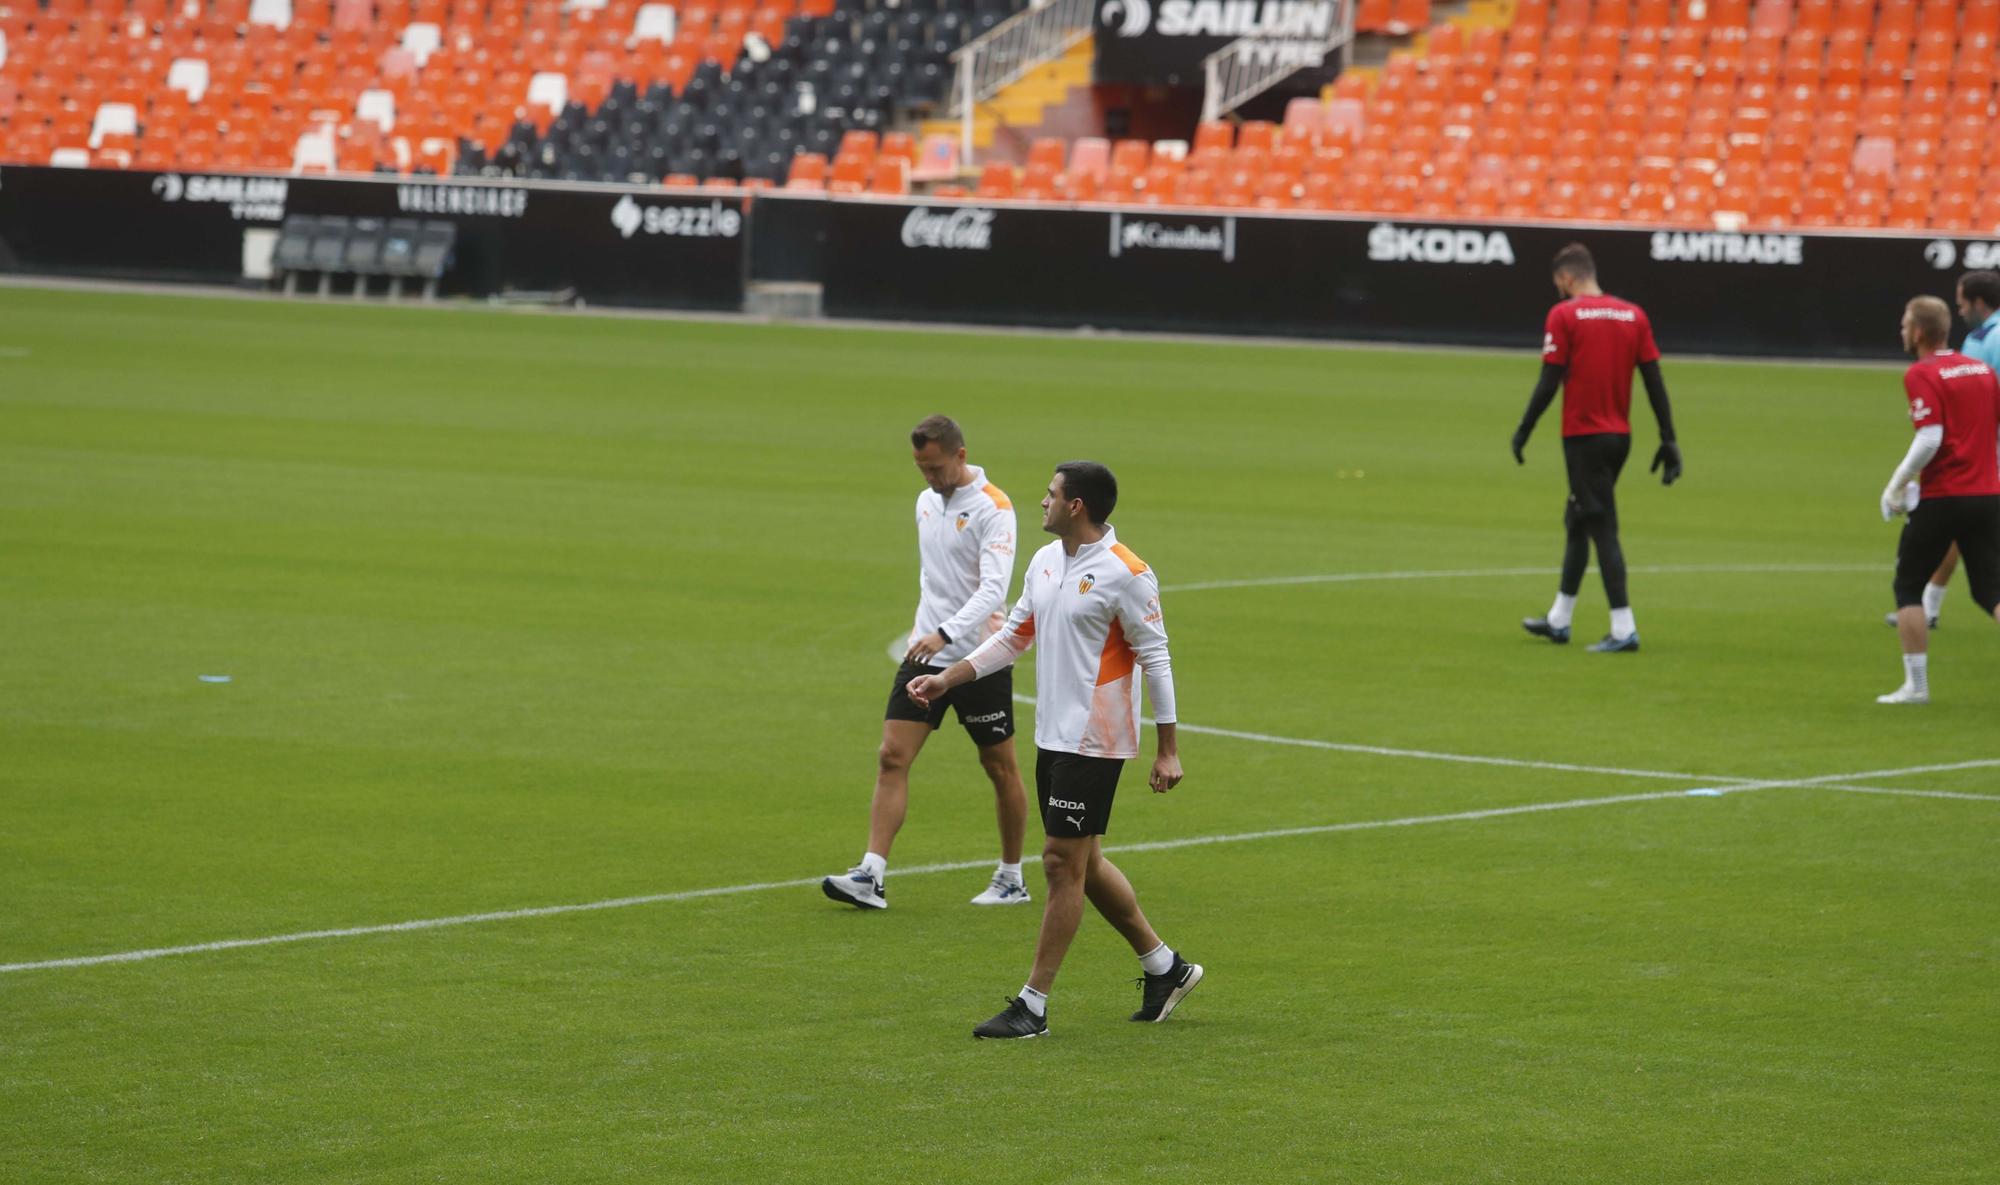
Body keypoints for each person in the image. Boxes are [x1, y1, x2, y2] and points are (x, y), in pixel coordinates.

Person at [906, 461, 1197, 1039]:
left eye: (1051, 494)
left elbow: (1157, 658)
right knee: (1083, 865)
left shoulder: (1127, 573)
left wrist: (1168, 749)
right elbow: (1014, 635)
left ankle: (1032, 1005)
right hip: (1052, 734)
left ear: (1078, 505)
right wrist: (948, 679)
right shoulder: (1044, 562)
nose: (1042, 502)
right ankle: (1167, 968)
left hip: (1097, 738)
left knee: (1061, 863)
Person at [821, 415, 1031, 910]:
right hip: (925, 653)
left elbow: (994, 588)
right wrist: (929, 633)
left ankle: (1012, 876)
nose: (930, 480)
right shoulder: (925, 501)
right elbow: (934, 579)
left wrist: (948, 633)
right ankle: (871, 874)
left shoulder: (993, 509)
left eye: (935, 468)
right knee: (892, 756)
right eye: (921, 470)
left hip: (979, 659)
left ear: (960, 455)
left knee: (999, 767)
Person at [1513, 242, 1683, 652]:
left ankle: (1624, 629)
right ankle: (1559, 619)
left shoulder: (1564, 315)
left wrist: (1524, 429)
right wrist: (1668, 438)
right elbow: (1653, 379)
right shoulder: (1632, 314)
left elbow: (1549, 379)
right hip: (1618, 437)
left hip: (1583, 437)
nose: (1559, 291)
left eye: (1559, 284)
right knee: (1579, 519)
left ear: (1568, 277)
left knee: (1602, 525)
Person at [1875, 296, 2000, 705]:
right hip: (1987, 493)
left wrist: (1895, 486)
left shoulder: (1922, 373)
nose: (1900, 331)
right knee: (1990, 591)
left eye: (1904, 324)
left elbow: (1930, 437)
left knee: (1908, 586)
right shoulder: (1981, 370)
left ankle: (1916, 687)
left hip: (1944, 495)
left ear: (1919, 332)